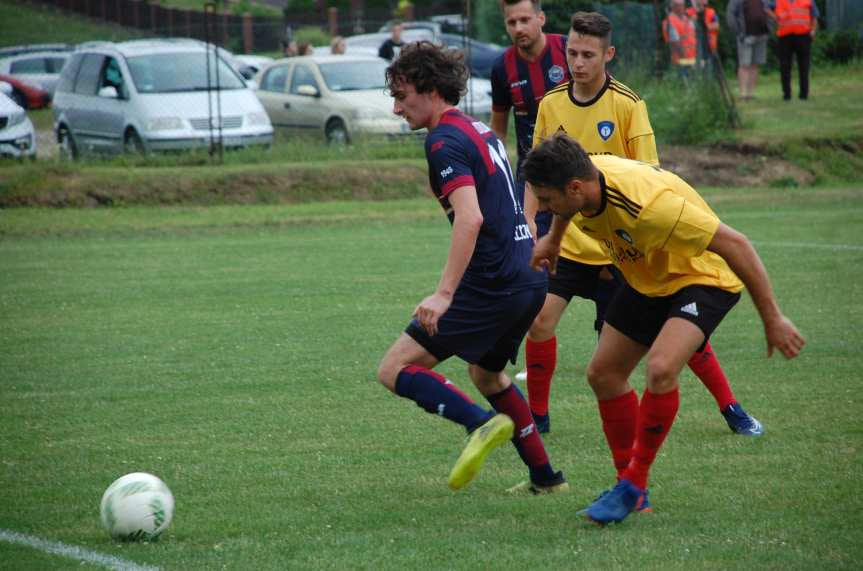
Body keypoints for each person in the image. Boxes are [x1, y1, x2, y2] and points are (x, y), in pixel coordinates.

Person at [524, 132, 805, 524]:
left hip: (701, 276)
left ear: (573, 188)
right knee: (603, 374)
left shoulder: (649, 207)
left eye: (547, 200)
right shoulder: (582, 185)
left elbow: (736, 244)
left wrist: (772, 317)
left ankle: (634, 483)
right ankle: (630, 489)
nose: (546, 207)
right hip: (647, 279)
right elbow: (566, 209)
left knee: (661, 367)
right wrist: (554, 241)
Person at [523, 11, 764, 439]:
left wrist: (617, 242)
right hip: (573, 241)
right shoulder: (551, 104)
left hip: (624, 243)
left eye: (588, 55)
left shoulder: (627, 104)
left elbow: (647, 177)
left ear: (608, 54)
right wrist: (535, 227)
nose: (578, 62)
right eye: (573, 53)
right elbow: (542, 177)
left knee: (672, 331)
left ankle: (731, 406)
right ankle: (537, 418)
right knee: (540, 320)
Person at [376, 41, 568, 495]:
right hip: (526, 275)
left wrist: (444, 294)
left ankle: (480, 424)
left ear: (429, 89)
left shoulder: (443, 141)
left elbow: (471, 216)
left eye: (402, 96)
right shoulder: (476, 128)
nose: (396, 107)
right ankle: (546, 478)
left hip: (495, 282)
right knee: (487, 374)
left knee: (394, 369)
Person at [489, 0, 570, 239]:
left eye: (524, 20)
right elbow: (498, 130)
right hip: (532, 174)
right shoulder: (502, 67)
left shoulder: (568, 50)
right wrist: (495, 175)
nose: (518, 28)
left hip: (575, 168)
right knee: (530, 243)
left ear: (541, 19)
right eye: (512, 22)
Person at [767, 0, 819, 100]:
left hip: (803, 36)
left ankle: (804, 94)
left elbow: (814, 16)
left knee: (804, 66)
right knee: (785, 66)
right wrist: (775, 18)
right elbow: (766, 8)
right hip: (785, 37)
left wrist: (813, 30)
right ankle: (786, 94)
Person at [727, 0, 771, 100]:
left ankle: (751, 94)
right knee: (744, 65)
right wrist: (738, 31)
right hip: (745, 36)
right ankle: (743, 94)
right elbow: (730, 15)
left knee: (755, 65)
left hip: (761, 35)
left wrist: (769, 27)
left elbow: (770, 10)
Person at [663, 0, 697, 74]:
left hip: (693, 59)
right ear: (673, 7)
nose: (682, 7)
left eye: (682, 5)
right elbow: (675, 43)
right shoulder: (670, 21)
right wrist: (685, 59)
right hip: (680, 61)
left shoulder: (687, 19)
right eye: (679, 5)